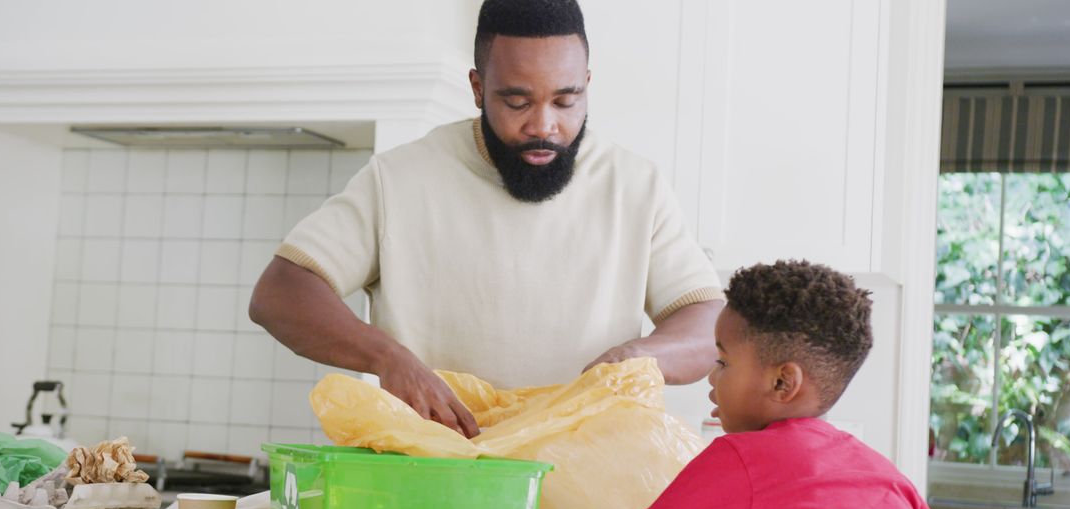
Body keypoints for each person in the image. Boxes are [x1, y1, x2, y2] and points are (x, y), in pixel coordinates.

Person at [249, 0, 723, 439]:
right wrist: (387, 357)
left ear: (587, 86)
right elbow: (281, 292)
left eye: (565, 101)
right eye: (517, 102)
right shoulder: (399, 179)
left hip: (588, 476)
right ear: (478, 89)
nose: (543, 125)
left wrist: (638, 356)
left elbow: (706, 321)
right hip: (436, 475)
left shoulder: (636, 186)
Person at [601, 260, 956, 509]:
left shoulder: (738, 458)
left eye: (723, 361)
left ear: (783, 382)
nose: (711, 375)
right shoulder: (888, 475)